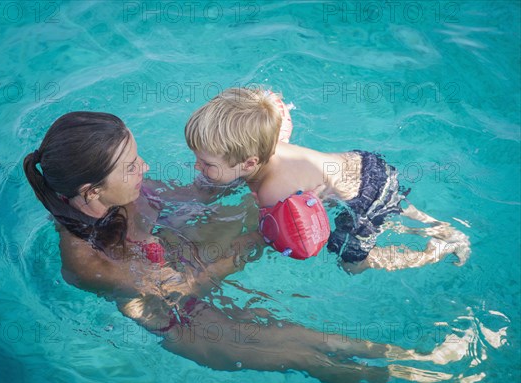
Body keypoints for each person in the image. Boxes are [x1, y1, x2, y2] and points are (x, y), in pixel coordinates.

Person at [24, 111, 469, 383]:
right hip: (184, 320)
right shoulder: (86, 263)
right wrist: (261, 235)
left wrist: (258, 156)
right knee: (301, 352)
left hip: (179, 262)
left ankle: (414, 357)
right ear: (90, 192)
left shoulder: (125, 193)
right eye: (130, 166)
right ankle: (419, 370)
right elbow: (182, 289)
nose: (144, 167)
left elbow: (192, 200)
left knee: (315, 333)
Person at [184, 87, 471, 273]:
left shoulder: (273, 190)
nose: (196, 166)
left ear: (249, 162)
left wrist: (245, 241)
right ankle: (440, 228)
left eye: (207, 163)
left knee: (351, 263)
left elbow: (276, 235)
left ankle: (435, 251)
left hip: (365, 200)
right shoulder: (267, 142)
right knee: (397, 207)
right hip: (365, 166)